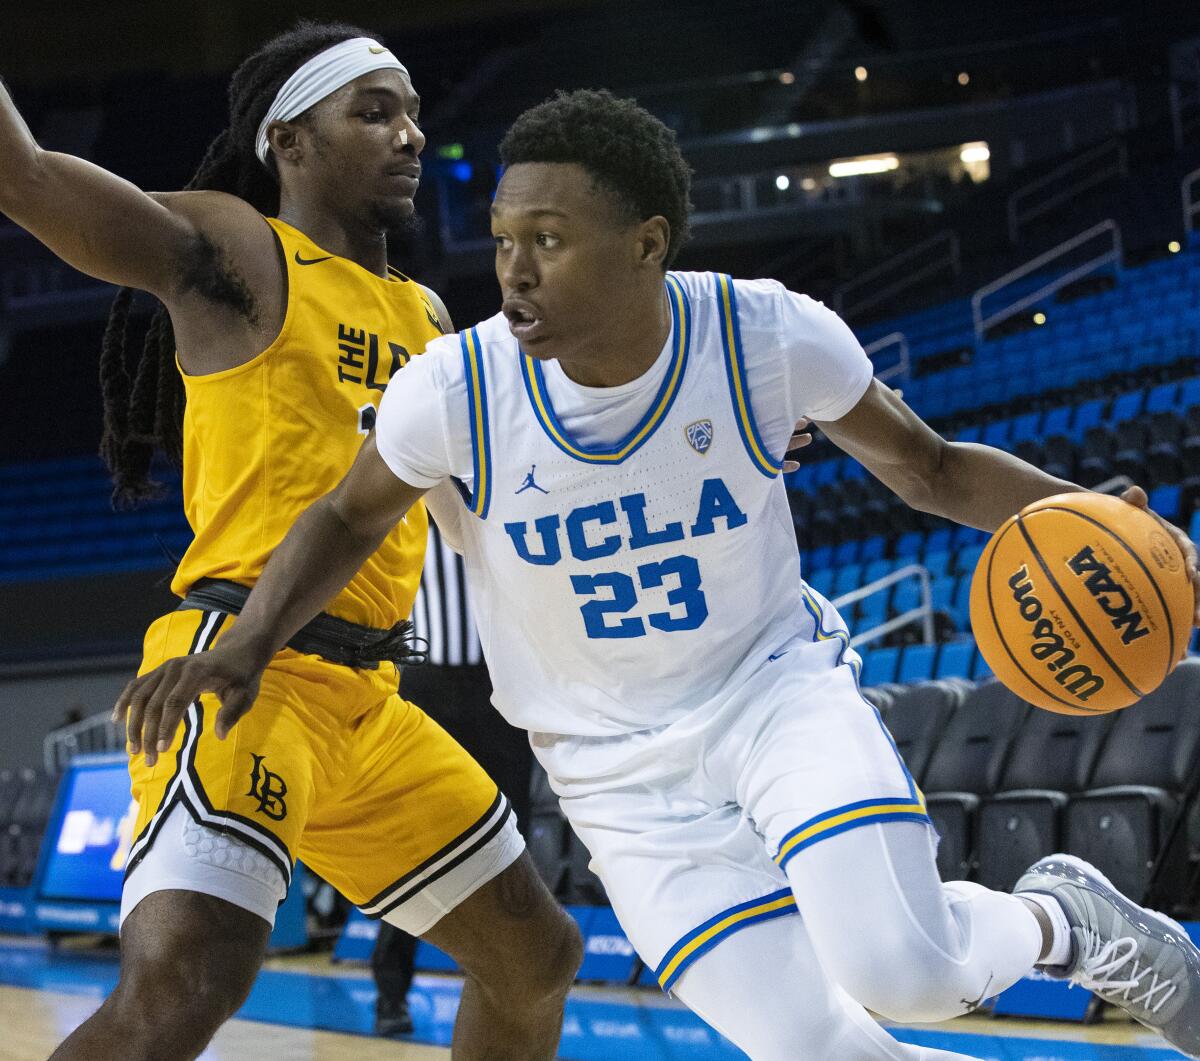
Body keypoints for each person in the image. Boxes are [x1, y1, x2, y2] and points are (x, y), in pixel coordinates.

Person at [118, 89, 1200, 1060]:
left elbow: (931, 468)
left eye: (548, 239)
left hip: (771, 694)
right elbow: (346, 516)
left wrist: (1087, 509)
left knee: (902, 971)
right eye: (503, 240)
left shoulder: (763, 333)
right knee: (818, 1048)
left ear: (646, 244)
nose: (514, 270)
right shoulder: (453, 389)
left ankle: (1073, 921)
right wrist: (251, 639)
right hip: (612, 774)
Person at [0, 23, 580, 1061]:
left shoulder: (429, 313)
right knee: (191, 978)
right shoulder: (242, 252)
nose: (408, 134)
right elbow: (31, 178)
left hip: (374, 703)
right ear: (290, 142)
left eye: (410, 111)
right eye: (372, 112)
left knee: (535, 955)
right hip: (240, 669)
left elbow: (517, 476)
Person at [372, 518, 536, 1038]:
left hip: (498, 684)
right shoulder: (398, 495)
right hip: (425, 682)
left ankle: (507, 990)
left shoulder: (499, 490)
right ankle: (390, 991)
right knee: (410, 844)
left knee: (513, 841)